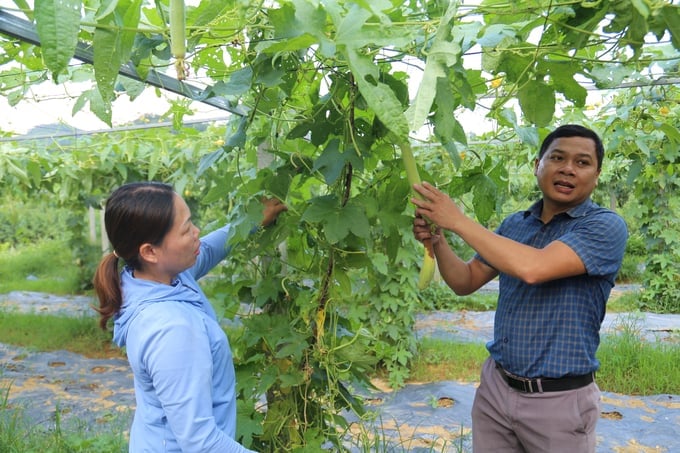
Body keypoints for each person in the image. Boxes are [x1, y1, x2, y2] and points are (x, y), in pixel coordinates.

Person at [411, 124, 628, 452]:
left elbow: (534, 268)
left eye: (582, 163)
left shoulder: (604, 226)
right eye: (557, 158)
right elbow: (465, 281)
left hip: (559, 402)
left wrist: (457, 219)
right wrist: (438, 240)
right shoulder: (515, 225)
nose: (568, 168)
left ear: (597, 175)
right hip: (496, 391)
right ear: (537, 165)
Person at [93, 181, 286, 452]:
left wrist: (252, 221)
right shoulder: (171, 330)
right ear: (149, 251)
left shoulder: (153, 277)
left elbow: (206, 249)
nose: (197, 233)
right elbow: (201, 443)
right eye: (186, 229)